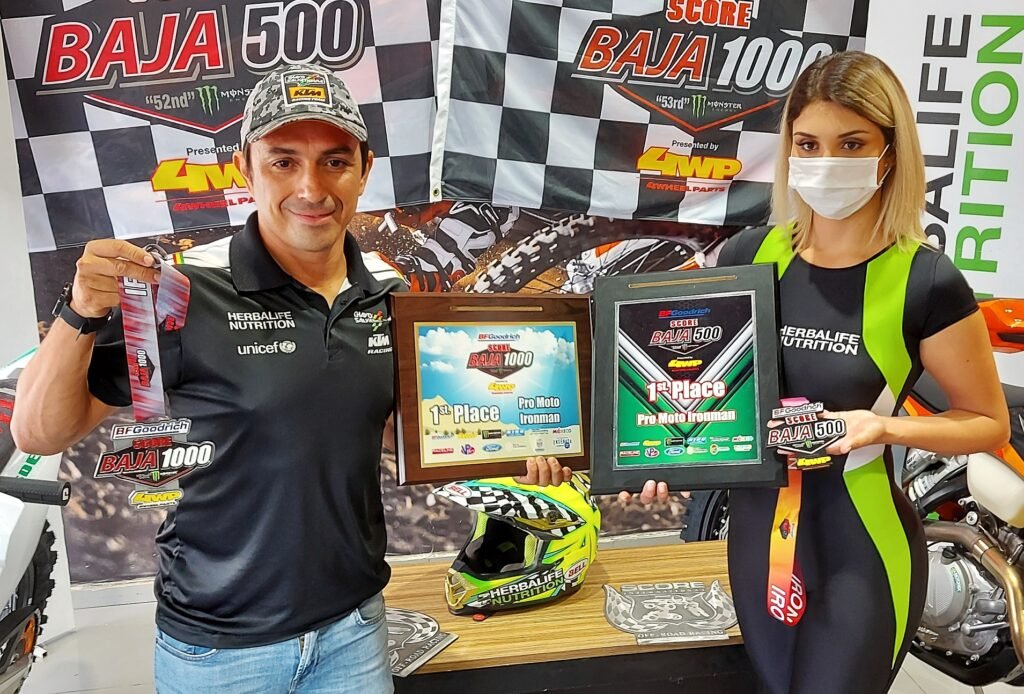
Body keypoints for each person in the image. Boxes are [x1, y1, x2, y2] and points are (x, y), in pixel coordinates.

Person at [11, 64, 571, 693]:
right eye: (283, 161)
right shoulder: (184, 291)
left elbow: (408, 432)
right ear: (244, 169)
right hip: (220, 651)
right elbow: (38, 433)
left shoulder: (389, 296)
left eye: (335, 161)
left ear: (364, 170)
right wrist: (81, 310)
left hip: (353, 631)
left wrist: (522, 453)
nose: (311, 187)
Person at [620, 51, 1010, 693]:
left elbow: (987, 423)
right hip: (756, 536)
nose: (826, 160)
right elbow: (692, 383)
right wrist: (660, 452)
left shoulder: (926, 280)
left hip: (860, 541)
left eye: (851, 143)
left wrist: (882, 429)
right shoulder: (751, 253)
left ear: (890, 152)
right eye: (808, 144)